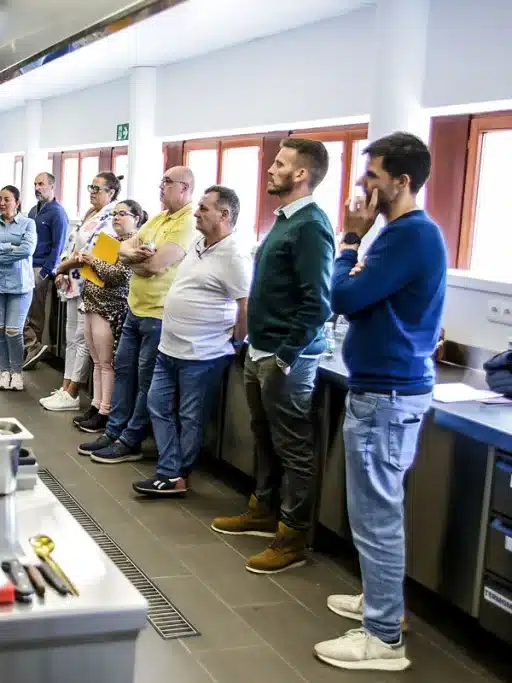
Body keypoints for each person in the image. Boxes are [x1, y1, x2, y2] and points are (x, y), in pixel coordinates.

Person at [313, 133, 444, 672]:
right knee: (376, 511)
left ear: (402, 181)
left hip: (386, 395)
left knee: (375, 518)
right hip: (385, 389)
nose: (362, 185)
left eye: (372, 175)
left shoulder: (409, 235)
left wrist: (349, 242)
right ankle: (380, 601)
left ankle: (384, 636)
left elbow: (343, 295)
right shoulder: (401, 235)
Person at [210, 137, 334, 575]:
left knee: (293, 447)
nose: (270, 169)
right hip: (260, 350)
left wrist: (285, 356)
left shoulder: (311, 226)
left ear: (301, 174)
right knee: (264, 436)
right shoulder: (284, 219)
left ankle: (292, 537)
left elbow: (318, 303)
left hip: (285, 359)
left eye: (279, 164)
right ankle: (262, 509)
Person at [132, 186, 251, 496]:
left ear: (224, 215)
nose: (196, 213)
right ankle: (170, 468)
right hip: (169, 348)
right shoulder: (199, 243)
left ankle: (176, 475)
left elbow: (245, 306)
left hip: (202, 354)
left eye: (204, 208)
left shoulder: (234, 255)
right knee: (157, 404)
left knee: (190, 417)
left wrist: (237, 343)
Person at [79, 166, 197, 463]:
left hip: (158, 314)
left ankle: (131, 440)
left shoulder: (187, 222)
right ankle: (113, 431)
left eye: (167, 182)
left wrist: (132, 258)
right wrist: (135, 255)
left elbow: (155, 265)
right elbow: (120, 249)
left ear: (184, 187)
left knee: (146, 382)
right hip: (136, 308)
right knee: (123, 371)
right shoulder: (159, 218)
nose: (161, 186)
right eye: (161, 181)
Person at [40, 172, 121, 412]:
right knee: (71, 337)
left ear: (111, 192)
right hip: (73, 281)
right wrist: (63, 269)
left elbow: (92, 253)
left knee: (82, 338)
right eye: (90, 187)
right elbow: (73, 243)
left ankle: (73, 390)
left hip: (90, 284)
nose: (92, 193)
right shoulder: (91, 213)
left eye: (97, 189)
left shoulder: (111, 217)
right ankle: (65, 387)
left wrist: (62, 267)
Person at [73, 200, 147, 434]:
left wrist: (94, 261)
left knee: (107, 364)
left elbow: (118, 276)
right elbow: (95, 271)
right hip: (92, 305)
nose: (116, 218)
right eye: (114, 214)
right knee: (97, 361)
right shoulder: (110, 241)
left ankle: (106, 411)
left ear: (136, 218)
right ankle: (96, 405)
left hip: (110, 309)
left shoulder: (134, 245)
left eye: (122, 214)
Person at [0, 186, 38, 391]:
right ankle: (5, 372)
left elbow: (27, 250)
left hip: (20, 286)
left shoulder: (28, 224)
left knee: (13, 331)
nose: (2, 203)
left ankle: (17, 372)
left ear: (17, 203)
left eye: (7, 199)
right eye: (0, 199)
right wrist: (7, 247)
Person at [23, 172, 69, 369]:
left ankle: (32, 350)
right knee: (22, 310)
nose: (37, 188)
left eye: (41, 184)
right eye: (35, 184)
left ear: (52, 186)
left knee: (35, 313)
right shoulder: (34, 211)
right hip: (26, 265)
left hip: (40, 268)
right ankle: (31, 347)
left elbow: (59, 245)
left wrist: (45, 271)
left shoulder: (58, 213)